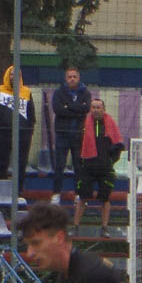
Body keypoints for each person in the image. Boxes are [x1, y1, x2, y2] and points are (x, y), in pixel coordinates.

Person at [71, 97, 125, 231]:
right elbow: (77, 144)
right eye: (93, 107)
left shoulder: (110, 124)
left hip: (105, 167)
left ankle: (104, 227)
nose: (95, 110)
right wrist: (80, 161)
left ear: (103, 109)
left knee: (105, 199)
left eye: (98, 107)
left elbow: (118, 144)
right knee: (82, 197)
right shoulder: (84, 125)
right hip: (88, 167)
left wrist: (111, 159)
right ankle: (76, 226)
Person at [48, 66, 93, 203]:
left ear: (79, 78)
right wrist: (77, 108)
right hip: (62, 134)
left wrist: (68, 106)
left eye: (74, 76)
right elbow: (58, 110)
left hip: (79, 135)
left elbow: (86, 108)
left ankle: (78, 194)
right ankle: (56, 193)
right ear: (65, 78)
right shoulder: (59, 92)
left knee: (78, 166)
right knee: (59, 165)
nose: (72, 79)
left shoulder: (85, 92)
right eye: (69, 77)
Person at [0, 67, 35, 182]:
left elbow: (31, 115)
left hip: (22, 135)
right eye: (12, 74)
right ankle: (1, 188)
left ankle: (19, 189)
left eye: (17, 75)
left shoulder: (27, 92)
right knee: (1, 163)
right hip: (2, 135)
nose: (14, 77)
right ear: (7, 75)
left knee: (21, 164)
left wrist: (29, 133)